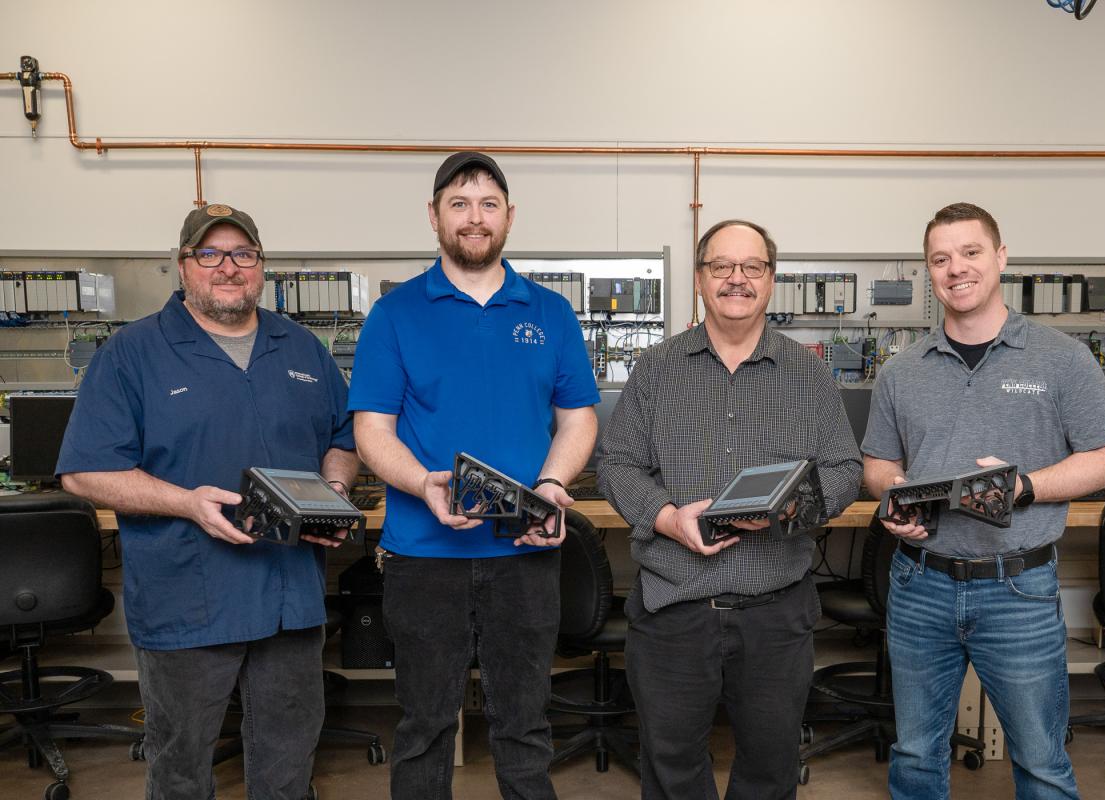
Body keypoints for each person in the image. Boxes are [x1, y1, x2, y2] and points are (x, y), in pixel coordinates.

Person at [57, 202, 359, 800]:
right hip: (188, 600)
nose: (228, 267)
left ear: (261, 266)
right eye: (210, 254)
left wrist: (336, 491)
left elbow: (344, 439)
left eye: (243, 255)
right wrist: (187, 502)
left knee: (289, 759)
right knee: (180, 765)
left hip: (288, 599)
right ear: (183, 265)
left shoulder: (302, 349)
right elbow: (85, 472)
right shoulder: (133, 354)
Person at [349, 152, 599, 799]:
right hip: (423, 556)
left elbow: (577, 420)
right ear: (433, 216)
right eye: (459, 204)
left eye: (488, 204)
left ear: (509, 217)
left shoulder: (550, 313)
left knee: (523, 726)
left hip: (524, 553)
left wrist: (551, 487)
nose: (474, 217)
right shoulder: (396, 314)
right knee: (426, 726)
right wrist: (421, 483)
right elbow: (370, 431)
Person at [862, 202, 1105, 800]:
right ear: (929, 272)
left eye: (971, 252)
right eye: (941, 258)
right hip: (918, 586)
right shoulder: (903, 370)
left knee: (1039, 760)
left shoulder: (1062, 358)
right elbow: (877, 463)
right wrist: (895, 498)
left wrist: (1024, 487)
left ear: (1001, 257)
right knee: (915, 757)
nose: (956, 268)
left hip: (1018, 590)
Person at [598, 219, 862, 799]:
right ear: (700, 279)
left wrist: (790, 510)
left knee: (770, 772)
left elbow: (845, 469)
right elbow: (616, 464)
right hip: (673, 608)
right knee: (670, 768)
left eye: (752, 267)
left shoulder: (808, 372)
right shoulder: (658, 369)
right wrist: (667, 517)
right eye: (721, 267)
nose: (736, 279)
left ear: (771, 279)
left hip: (776, 611)